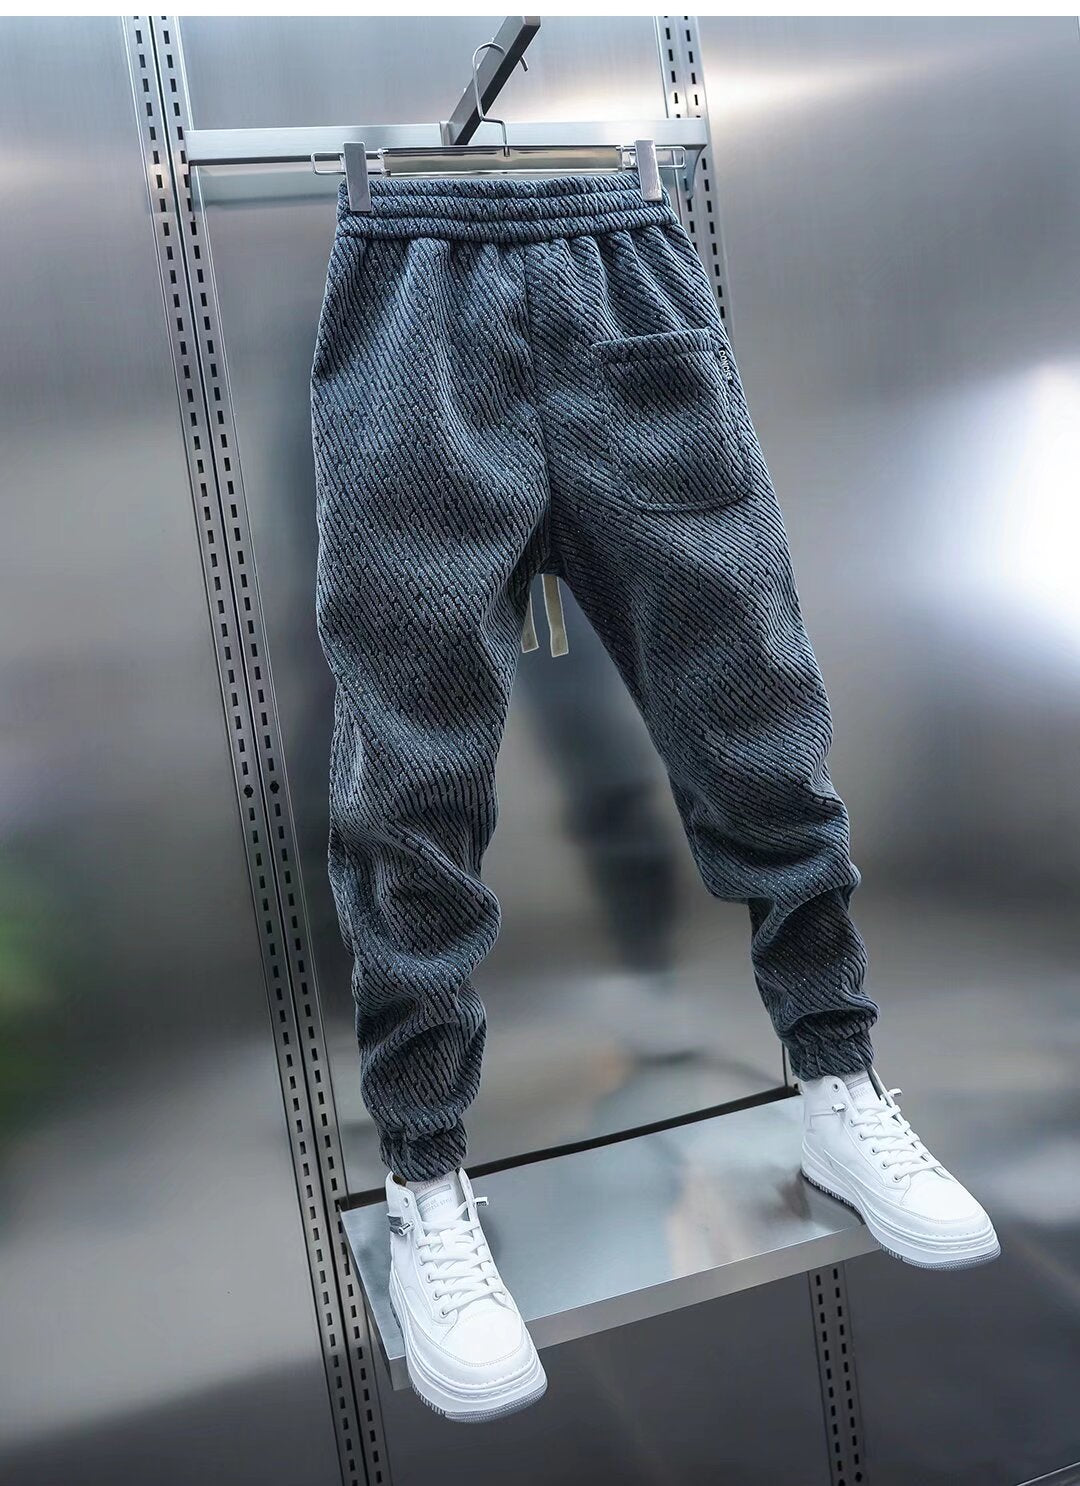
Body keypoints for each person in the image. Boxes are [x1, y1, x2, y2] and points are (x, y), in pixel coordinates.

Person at [312, 171, 999, 1423]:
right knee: (410, 783)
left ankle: (837, 1080)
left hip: (621, 268)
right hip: (414, 302)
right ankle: (424, 1182)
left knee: (757, 722)